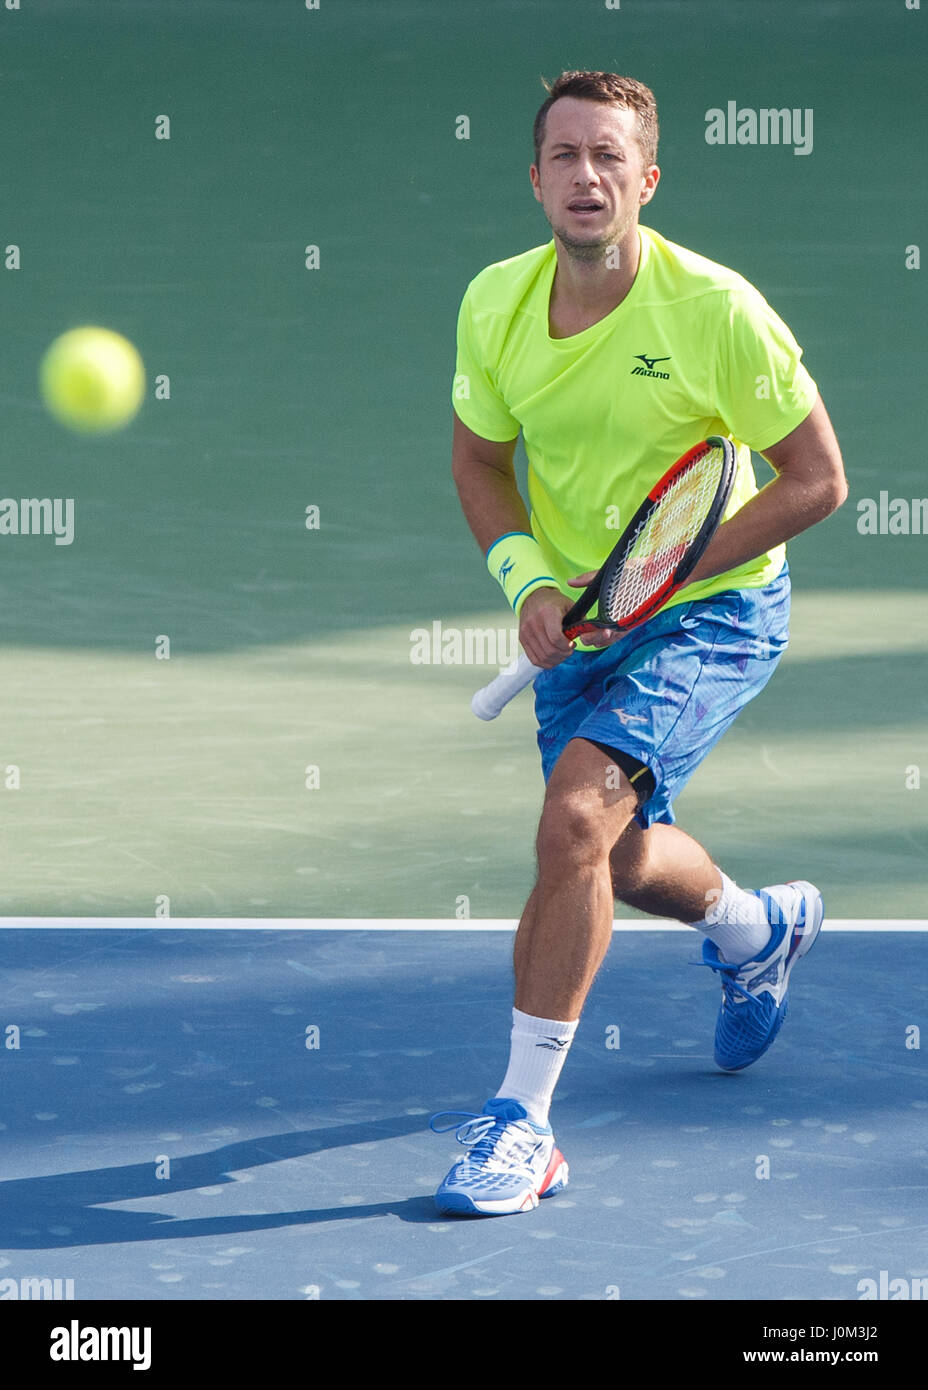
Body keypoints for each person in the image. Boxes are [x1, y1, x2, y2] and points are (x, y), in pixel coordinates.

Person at [432, 71, 847, 1217]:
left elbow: (817, 481)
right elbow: (479, 461)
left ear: (645, 180)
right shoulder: (493, 304)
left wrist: (665, 572)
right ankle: (754, 929)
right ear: (534, 179)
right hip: (581, 622)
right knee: (609, 858)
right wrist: (528, 579)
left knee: (572, 816)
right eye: (564, 156)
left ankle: (521, 1123)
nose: (585, 176)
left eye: (609, 157)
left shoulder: (716, 311)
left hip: (715, 610)